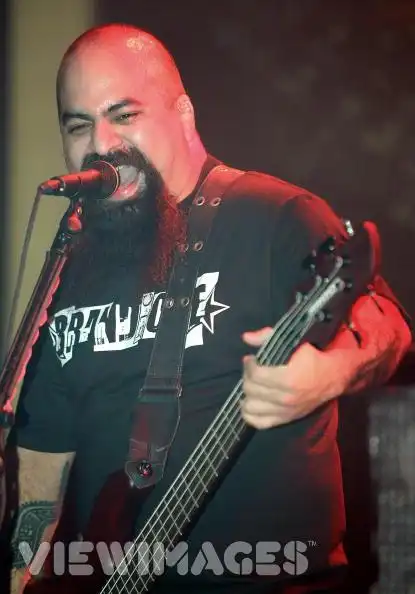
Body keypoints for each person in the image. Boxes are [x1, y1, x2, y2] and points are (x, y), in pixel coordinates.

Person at [4, 22, 412, 594]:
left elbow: (387, 322)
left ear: (184, 113)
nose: (100, 144)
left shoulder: (273, 215)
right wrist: (23, 573)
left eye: (124, 115)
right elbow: (43, 459)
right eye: (79, 125)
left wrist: (332, 372)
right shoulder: (75, 266)